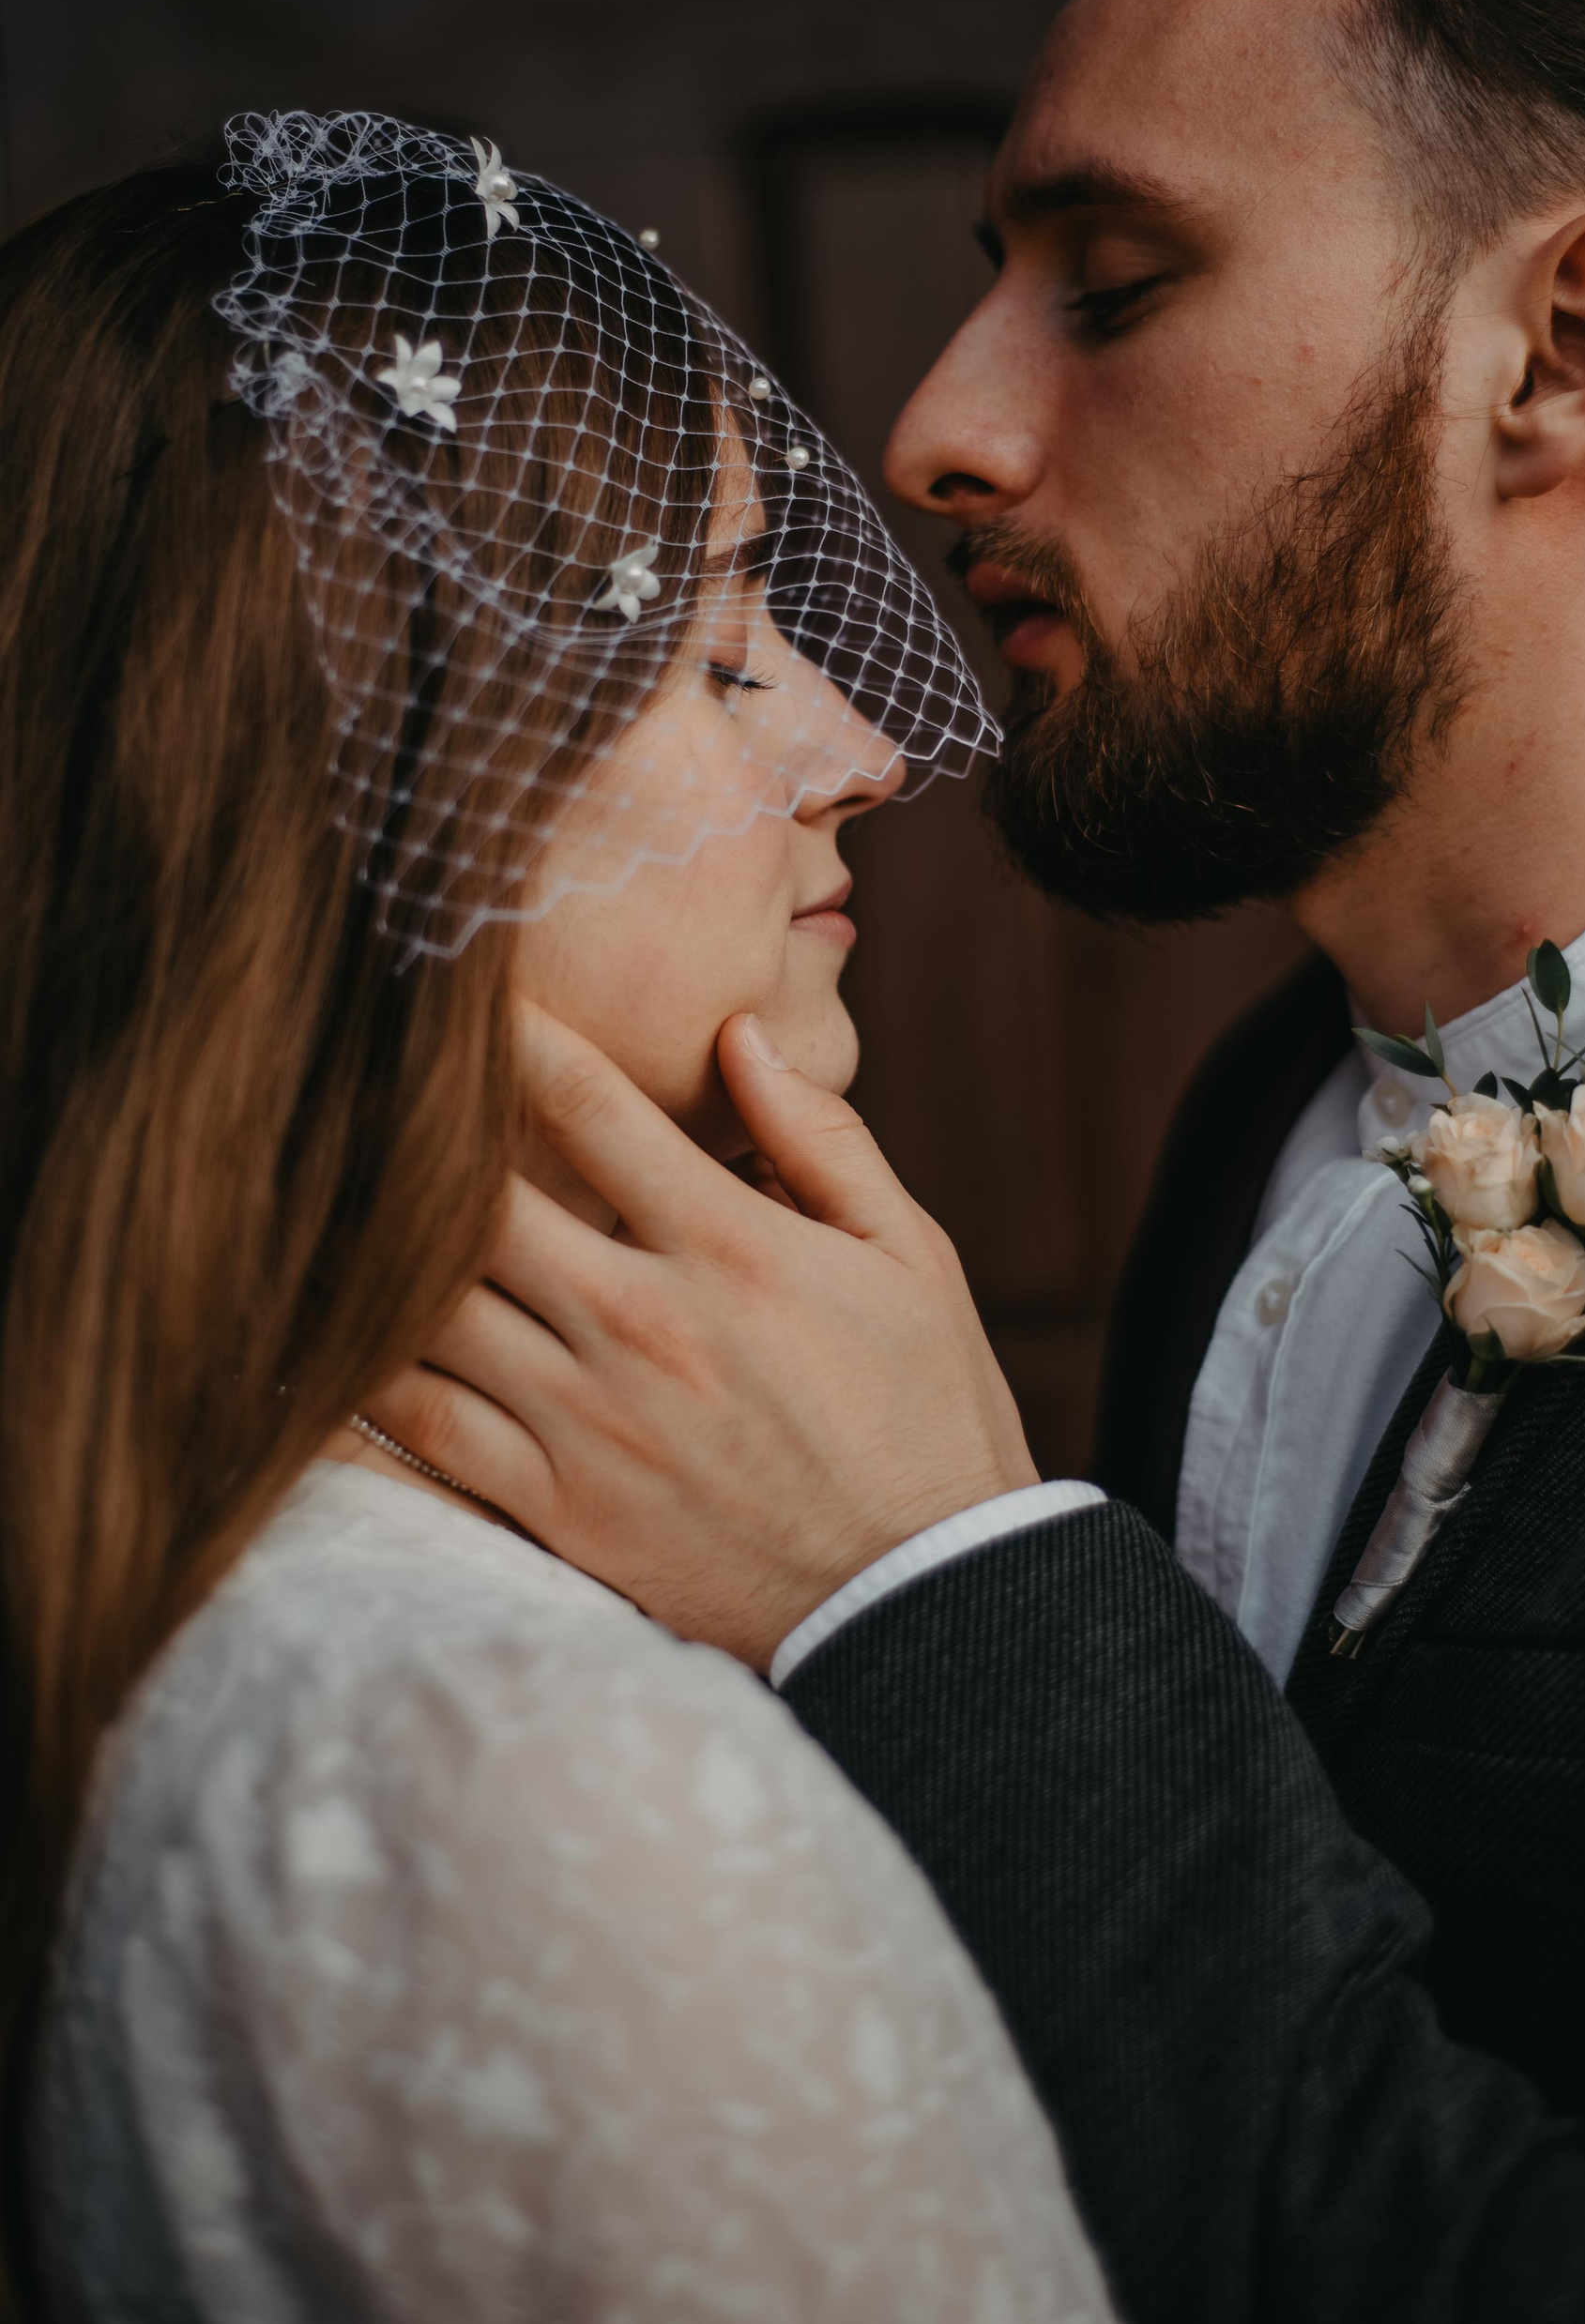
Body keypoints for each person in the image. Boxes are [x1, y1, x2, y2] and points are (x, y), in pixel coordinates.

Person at [388, 0, 1585, 2321]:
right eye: (991, 282)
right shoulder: (1268, 1116)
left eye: (1116, 285)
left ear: (1562, 348)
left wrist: (942, 1587)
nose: (937, 428)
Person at [0, 114, 1116, 2322]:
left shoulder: (207, 1571)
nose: (867, 745)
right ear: (353, 786)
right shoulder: (523, 1776)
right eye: (721, 645)